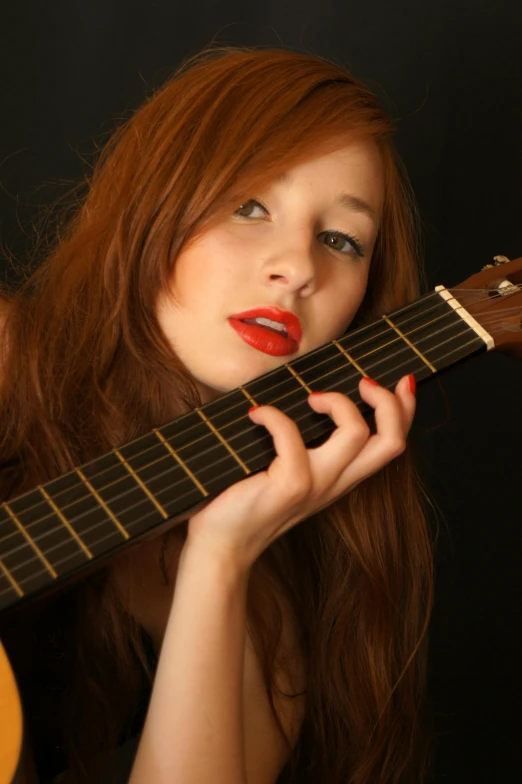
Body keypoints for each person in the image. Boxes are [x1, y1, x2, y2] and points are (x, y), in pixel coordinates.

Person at [0, 47, 433, 784]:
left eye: (340, 240)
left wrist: (220, 558)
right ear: (152, 206)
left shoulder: (265, 628)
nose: (298, 267)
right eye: (250, 205)